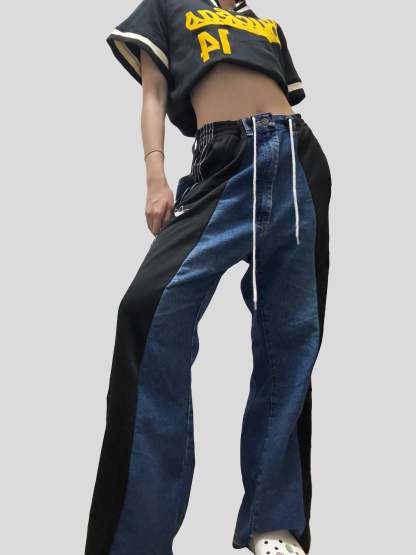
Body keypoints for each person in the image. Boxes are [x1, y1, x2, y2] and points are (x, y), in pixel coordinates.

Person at [84, 1, 332, 554]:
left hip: (297, 159)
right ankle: (136, 541)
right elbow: (153, 92)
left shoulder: (263, 24)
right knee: (146, 311)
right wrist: (155, 174)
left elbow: (283, 97)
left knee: (291, 338)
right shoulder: (169, 6)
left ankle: (274, 524)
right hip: (224, 159)